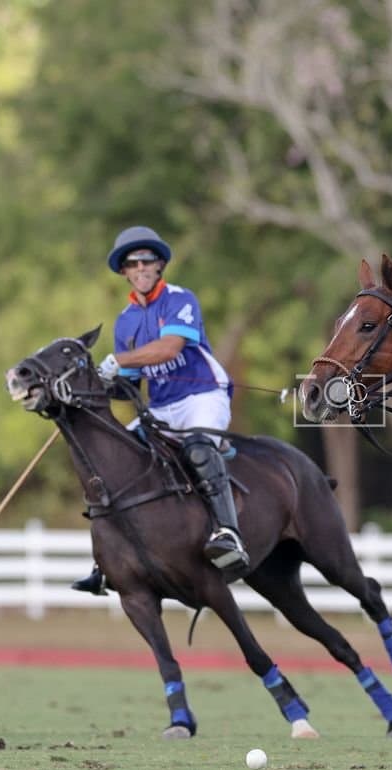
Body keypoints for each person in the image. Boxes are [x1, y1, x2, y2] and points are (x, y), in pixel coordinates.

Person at [71, 225, 249, 594]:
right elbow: (130, 387)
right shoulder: (126, 321)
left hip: (202, 396)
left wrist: (117, 360)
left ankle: (228, 534)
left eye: (147, 261)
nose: (140, 268)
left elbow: (169, 349)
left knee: (198, 448)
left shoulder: (181, 300)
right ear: (124, 271)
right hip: (161, 407)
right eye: (132, 263)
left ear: (160, 264)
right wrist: (92, 387)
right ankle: (105, 560)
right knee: (113, 460)